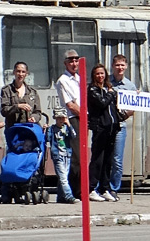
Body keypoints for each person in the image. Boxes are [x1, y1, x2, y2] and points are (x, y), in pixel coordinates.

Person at [87, 63, 120, 202]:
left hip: (112, 128)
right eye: (97, 74)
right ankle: (91, 189)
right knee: (97, 160)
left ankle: (104, 188)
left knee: (108, 160)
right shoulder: (92, 89)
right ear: (94, 76)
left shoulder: (108, 88)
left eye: (102, 73)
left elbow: (114, 107)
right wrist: (111, 94)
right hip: (100, 128)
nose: (100, 76)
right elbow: (101, 103)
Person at [108, 54, 137, 197]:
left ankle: (114, 188)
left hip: (120, 126)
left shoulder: (130, 86)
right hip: (106, 126)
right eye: (117, 65)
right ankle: (102, 187)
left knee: (117, 159)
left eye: (122, 65)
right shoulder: (106, 82)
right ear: (113, 66)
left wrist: (123, 116)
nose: (120, 68)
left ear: (126, 67)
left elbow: (133, 108)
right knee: (105, 157)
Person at [54, 49, 82, 196]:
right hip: (72, 119)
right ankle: (72, 191)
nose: (74, 63)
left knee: (81, 155)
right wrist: (85, 115)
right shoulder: (63, 81)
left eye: (76, 60)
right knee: (75, 157)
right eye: (71, 61)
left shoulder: (79, 78)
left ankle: (75, 189)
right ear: (65, 63)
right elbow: (70, 105)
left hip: (82, 118)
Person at [47, 109, 76, 204]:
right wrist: (45, 130)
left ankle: (60, 197)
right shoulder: (52, 129)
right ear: (55, 118)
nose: (60, 120)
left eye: (62, 118)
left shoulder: (66, 128)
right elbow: (47, 139)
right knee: (63, 177)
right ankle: (69, 196)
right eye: (58, 118)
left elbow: (74, 136)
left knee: (63, 177)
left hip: (67, 155)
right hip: (57, 155)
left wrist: (69, 125)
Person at [0, 61, 41, 126]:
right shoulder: (7, 90)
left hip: (29, 128)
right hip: (13, 128)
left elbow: (38, 112)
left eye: (23, 72)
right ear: (14, 72)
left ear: (26, 74)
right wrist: (18, 106)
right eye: (18, 71)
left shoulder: (32, 92)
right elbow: (4, 111)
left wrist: (34, 118)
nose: (20, 74)